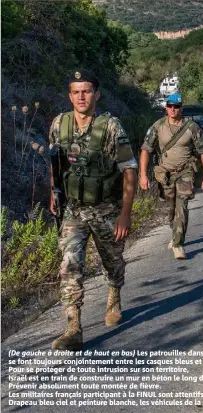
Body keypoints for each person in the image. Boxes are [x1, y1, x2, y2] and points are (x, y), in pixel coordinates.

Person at [49, 69, 138, 350]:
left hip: (106, 209)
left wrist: (125, 213)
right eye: (76, 91)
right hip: (73, 210)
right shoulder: (59, 124)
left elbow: (129, 171)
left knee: (112, 262)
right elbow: (56, 164)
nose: (81, 96)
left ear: (96, 94)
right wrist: (54, 192)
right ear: (69, 95)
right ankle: (73, 327)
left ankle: (114, 294)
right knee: (69, 265)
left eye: (86, 91)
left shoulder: (111, 128)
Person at [139, 94, 203, 259]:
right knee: (171, 208)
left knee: (182, 205)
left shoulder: (191, 127)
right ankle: (175, 233)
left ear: (181, 108)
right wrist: (143, 175)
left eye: (177, 106)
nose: (173, 109)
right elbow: (145, 150)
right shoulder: (158, 126)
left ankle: (178, 244)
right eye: (170, 106)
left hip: (185, 171)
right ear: (166, 107)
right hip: (165, 174)